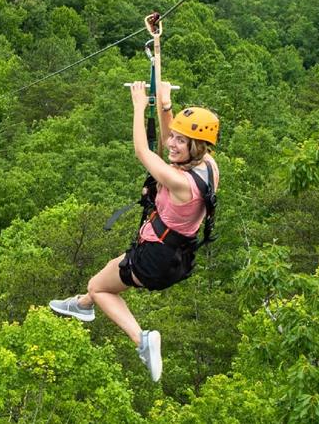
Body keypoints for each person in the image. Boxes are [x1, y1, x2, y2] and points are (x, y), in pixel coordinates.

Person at [49, 81, 219, 382]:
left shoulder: (181, 183)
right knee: (104, 276)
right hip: (175, 256)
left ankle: (142, 339)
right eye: (175, 138)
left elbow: (143, 151)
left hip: (155, 256)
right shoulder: (209, 167)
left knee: (100, 287)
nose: (172, 144)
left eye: (182, 141)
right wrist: (166, 107)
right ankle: (82, 304)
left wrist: (140, 106)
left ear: (195, 146)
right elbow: (169, 140)